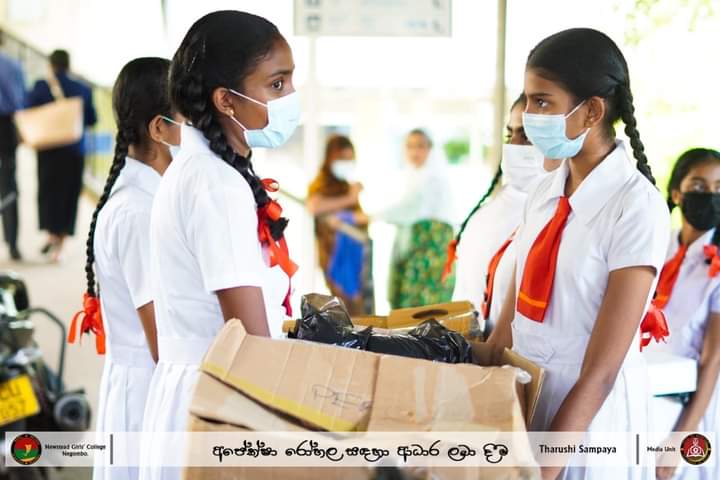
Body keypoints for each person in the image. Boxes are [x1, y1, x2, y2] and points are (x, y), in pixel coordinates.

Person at [487, 28, 670, 479]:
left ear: (591, 111)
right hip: (527, 402)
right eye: (528, 101)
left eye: (543, 102)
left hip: (590, 424)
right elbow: (506, 329)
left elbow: (601, 373)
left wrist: (545, 468)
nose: (530, 116)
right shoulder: (545, 192)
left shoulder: (636, 207)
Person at [139, 11, 298, 479]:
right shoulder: (215, 185)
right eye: (276, 85)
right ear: (226, 100)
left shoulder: (196, 170)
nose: (290, 98)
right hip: (219, 400)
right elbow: (250, 340)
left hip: (196, 393)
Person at [67, 57, 180, 480]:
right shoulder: (138, 211)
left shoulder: (148, 197)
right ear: (159, 128)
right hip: (149, 390)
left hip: (142, 385)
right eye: (189, 115)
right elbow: (160, 337)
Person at [450, 93, 561, 335]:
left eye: (528, 136)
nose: (514, 146)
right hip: (481, 349)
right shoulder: (491, 211)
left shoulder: (560, 211)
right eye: (510, 134)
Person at [652, 148, 720, 480]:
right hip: (645, 397)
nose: (710, 196)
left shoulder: (717, 267)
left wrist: (681, 439)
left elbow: (713, 361)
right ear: (676, 193)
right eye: (698, 186)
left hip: (691, 411)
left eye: (719, 188)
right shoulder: (656, 249)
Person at [26, 49, 97, 262]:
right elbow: (92, 119)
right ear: (69, 65)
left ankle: (51, 234)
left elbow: (28, 110)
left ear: (51, 65)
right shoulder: (83, 88)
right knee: (69, 195)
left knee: (48, 193)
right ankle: (60, 246)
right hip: (74, 150)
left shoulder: (41, 86)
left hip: (48, 149)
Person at [377, 128, 455, 309]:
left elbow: (410, 208)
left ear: (430, 149)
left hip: (430, 253)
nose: (415, 152)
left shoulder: (435, 177)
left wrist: (372, 216)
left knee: (424, 310)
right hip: (411, 251)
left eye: (420, 146)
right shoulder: (409, 176)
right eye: (410, 146)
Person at [307, 134, 371, 315]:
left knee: (358, 308)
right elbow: (314, 206)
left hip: (357, 254)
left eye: (350, 159)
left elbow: (361, 216)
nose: (347, 163)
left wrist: (350, 213)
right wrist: (349, 198)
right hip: (334, 255)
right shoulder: (321, 183)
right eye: (342, 158)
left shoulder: (345, 184)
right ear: (330, 158)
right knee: (345, 305)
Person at [0, 31, 25, 260]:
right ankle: (13, 243)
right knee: (8, 185)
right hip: (4, 127)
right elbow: (19, 101)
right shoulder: (11, 65)